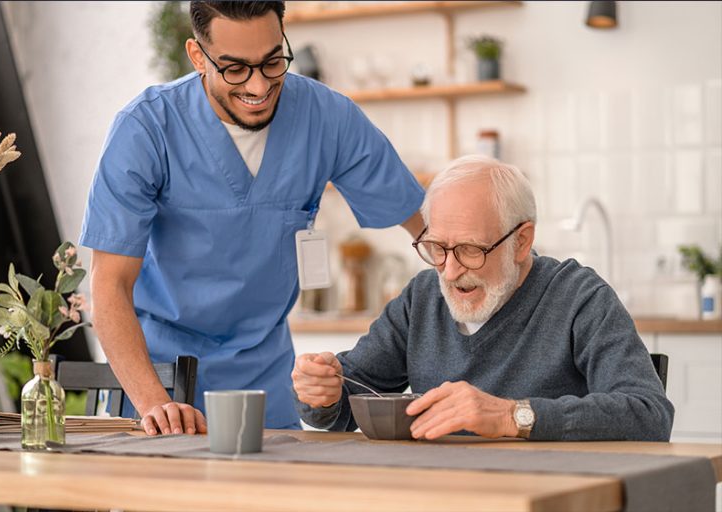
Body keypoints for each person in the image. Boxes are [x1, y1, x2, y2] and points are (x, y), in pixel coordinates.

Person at [80, 1, 424, 436]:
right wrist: (154, 404)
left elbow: (429, 227)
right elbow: (109, 284)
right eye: (236, 69)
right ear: (197, 55)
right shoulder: (146, 129)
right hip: (160, 375)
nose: (259, 85)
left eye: (272, 61)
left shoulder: (326, 117)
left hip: (265, 376)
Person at [292, 155, 674, 441]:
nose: (451, 270)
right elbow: (350, 402)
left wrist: (512, 416)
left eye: (471, 249)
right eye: (438, 247)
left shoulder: (578, 297)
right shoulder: (422, 298)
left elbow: (649, 414)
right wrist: (323, 395)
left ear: (521, 241)